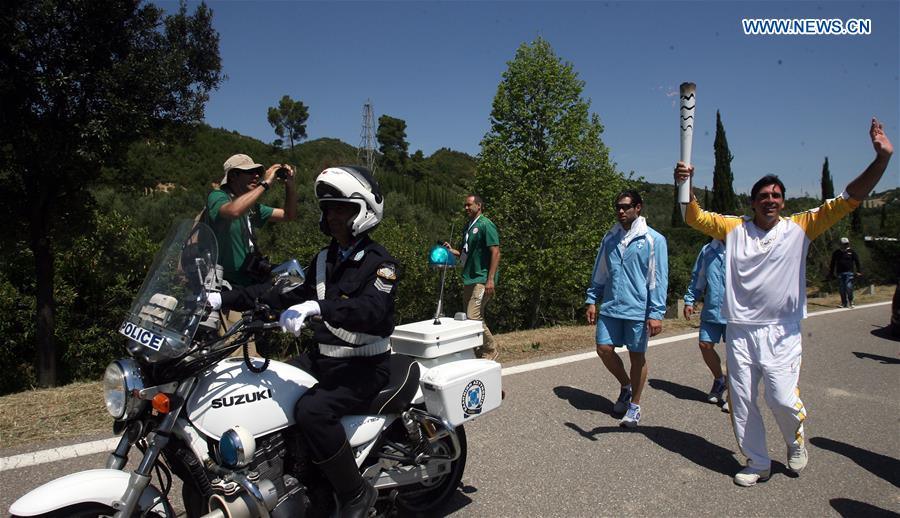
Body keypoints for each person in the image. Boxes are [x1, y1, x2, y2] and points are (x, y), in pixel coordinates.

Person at [674, 117, 893, 487]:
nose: (770, 200)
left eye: (776, 195)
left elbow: (850, 199)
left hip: (782, 332)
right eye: (763, 196)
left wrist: (882, 160)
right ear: (753, 201)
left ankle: (794, 438)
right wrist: (686, 181)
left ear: (783, 201)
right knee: (742, 401)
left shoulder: (801, 227)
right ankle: (757, 461)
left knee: (781, 399)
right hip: (740, 329)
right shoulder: (733, 228)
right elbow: (691, 215)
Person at [211, 166, 396, 517]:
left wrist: (317, 307)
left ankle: (356, 494)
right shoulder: (325, 259)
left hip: (365, 365)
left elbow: (373, 309)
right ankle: (291, 474)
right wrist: (227, 299)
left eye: (342, 209)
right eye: (329, 208)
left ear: (364, 212)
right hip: (324, 358)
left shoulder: (380, 262)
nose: (333, 216)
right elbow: (281, 293)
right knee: (265, 388)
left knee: (312, 410)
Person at [585, 190, 668, 428]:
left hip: (638, 310)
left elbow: (658, 279)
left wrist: (656, 313)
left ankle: (634, 406)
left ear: (638, 208)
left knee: (637, 357)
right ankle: (626, 386)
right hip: (611, 306)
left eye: (626, 207)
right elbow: (600, 271)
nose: (621, 211)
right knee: (603, 349)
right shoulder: (609, 238)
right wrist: (592, 299)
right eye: (618, 207)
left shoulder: (654, 240)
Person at [206, 153, 297, 288]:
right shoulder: (218, 196)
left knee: (295, 281)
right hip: (224, 284)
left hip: (248, 281)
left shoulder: (251, 208)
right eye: (249, 172)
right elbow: (233, 211)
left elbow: (288, 215)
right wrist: (265, 184)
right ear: (233, 176)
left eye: (257, 173)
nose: (256, 176)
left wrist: (290, 185)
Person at [443, 194, 501, 360]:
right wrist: (451, 251)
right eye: (465, 206)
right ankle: (477, 350)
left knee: (473, 316)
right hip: (469, 278)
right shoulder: (467, 226)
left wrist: (490, 279)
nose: (466, 208)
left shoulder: (485, 224)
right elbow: (464, 254)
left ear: (479, 205)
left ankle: (490, 349)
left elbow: (496, 252)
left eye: (469, 205)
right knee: (471, 319)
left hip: (482, 279)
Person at [683, 239, 728, 409]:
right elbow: (698, 277)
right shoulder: (708, 250)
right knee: (705, 345)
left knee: (735, 354)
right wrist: (690, 300)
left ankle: (734, 394)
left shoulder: (744, 245)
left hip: (737, 312)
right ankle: (719, 380)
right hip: (712, 308)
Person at [830, 237, 862, 308]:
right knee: (842, 289)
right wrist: (831, 273)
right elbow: (832, 263)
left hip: (849, 273)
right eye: (844, 244)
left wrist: (859, 271)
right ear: (840, 244)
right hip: (840, 273)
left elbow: (857, 261)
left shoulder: (851, 252)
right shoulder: (836, 253)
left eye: (847, 244)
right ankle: (844, 303)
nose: (846, 245)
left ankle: (851, 301)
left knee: (848, 287)